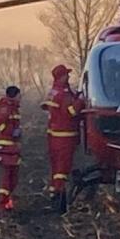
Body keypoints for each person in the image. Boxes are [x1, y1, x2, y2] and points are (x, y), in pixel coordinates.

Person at [41, 63, 84, 212]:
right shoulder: (63, 94)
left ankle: (54, 193)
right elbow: (71, 112)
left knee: (56, 167)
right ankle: (59, 198)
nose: (69, 76)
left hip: (54, 136)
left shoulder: (53, 92)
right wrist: (81, 101)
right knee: (62, 168)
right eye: (67, 74)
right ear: (61, 77)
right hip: (65, 136)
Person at [0, 85, 22, 213]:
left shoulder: (14, 109)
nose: (20, 98)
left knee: (13, 175)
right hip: (5, 146)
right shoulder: (5, 108)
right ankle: (2, 204)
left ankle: (8, 201)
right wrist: (9, 131)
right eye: (19, 95)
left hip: (12, 146)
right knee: (6, 175)